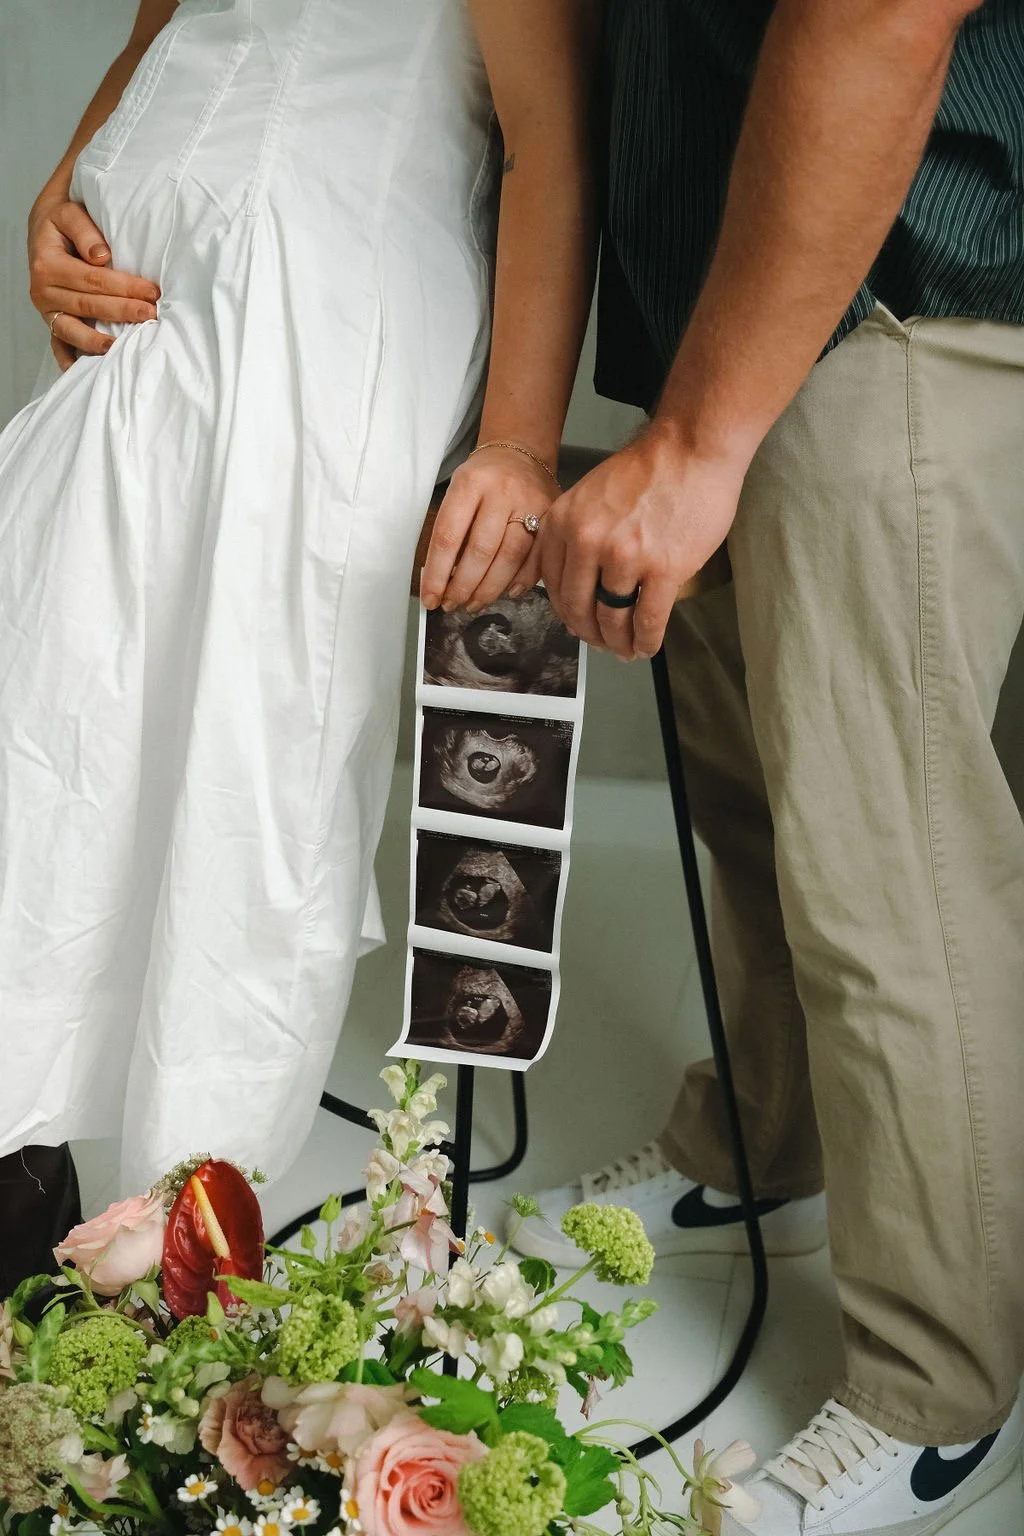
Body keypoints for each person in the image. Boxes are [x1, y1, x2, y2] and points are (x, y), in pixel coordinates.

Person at [462, 0, 1022, 1531]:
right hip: (728, 309)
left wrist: (703, 439)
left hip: (889, 289)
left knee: (882, 865)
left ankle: (939, 1392)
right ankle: (766, 1146)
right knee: (750, 793)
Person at [0, 0, 598, 1293]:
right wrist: (66, 184)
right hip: (144, 299)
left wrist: (519, 443)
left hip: (326, 303)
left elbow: (550, 136)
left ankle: (177, 1265)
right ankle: (20, 1158)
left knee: (246, 757)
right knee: (47, 702)